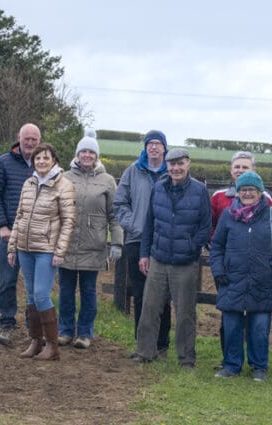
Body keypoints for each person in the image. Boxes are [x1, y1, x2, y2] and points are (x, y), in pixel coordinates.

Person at [132, 148, 211, 368]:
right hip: (158, 258)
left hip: (185, 262)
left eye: (181, 163)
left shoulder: (199, 191)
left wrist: (190, 246)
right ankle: (145, 351)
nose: (176, 168)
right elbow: (149, 224)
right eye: (172, 164)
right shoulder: (158, 188)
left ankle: (186, 358)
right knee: (150, 307)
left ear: (188, 164)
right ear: (167, 165)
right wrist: (144, 253)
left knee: (185, 312)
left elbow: (205, 227)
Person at [209, 171, 272, 381]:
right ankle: (231, 365)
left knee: (260, 328)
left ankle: (259, 367)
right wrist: (218, 271)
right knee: (232, 326)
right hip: (232, 280)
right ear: (237, 192)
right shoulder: (227, 215)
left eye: (251, 190)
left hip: (263, 281)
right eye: (243, 190)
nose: (247, 193)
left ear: (260, 192)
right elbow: (216, 246)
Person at [7, 143, 76, 361]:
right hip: (25, 248)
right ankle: (35, 341)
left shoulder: (64, 186)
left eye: (46, 158)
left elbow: (68, 221)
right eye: (38, 159)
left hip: (47, 249)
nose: (42, 162)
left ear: (54, 160)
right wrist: (12, 246)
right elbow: (20, 216)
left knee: (40, 294)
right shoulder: (29, 183)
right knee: (30, 295)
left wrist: (60, 250)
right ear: (33, 162)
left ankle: (52, 345)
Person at [59, 129, 123, 349]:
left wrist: (116, 242)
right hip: (66, 244)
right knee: (66, 291)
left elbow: (114, 215)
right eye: (83, 151)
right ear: (77, 155)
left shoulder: (107, 181)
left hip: (93, 246)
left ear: (96, 156)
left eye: (91, 152)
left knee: (88, 292)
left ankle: (85, 333)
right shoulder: (65, 178)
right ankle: (65, 331)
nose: (87, 155)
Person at [113, 130, 171, 358]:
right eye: (150, 144)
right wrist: (134, 225)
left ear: (164, 148)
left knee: (164, 295)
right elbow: (120, 203)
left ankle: (162, 344)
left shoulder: (172, 172)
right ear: (145, 148)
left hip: (164, 242)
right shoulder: (132, 171)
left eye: (158, 144)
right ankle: (142, 345)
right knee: (141, 294)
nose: (154, 147)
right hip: (137, 241)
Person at [0, 124, 41, 346]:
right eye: (26, 138)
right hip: (10, 234)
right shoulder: (3, 163)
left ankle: (34, 328)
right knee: (8, 281)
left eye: (34, 140)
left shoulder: (45, 165)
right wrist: (1, 226)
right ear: (18, 138)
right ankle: (7, 324)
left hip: (36, 236)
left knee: (35, 285)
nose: (30, 143)